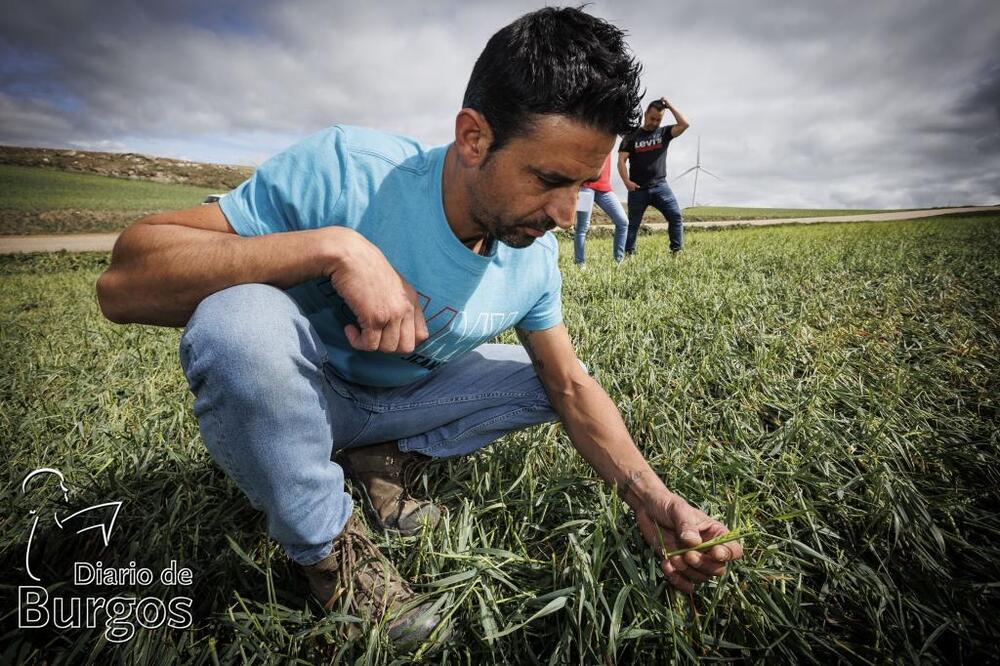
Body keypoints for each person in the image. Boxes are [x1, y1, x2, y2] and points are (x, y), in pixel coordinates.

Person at [95, 7, 742, 650]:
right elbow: (124, 282)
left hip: (397, 406)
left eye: (580, 183)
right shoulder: (349, 169)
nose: (562, 212)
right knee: (235, 320)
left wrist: (651, 500)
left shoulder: (535, 255)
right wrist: (333, 248)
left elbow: (568, 385)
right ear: (473, 138)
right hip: (310, 395)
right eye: (547, 179)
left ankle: (382, 460)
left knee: (559, 382)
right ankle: (330, 553)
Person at [618, 97, 689, 256]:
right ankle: (629, 255)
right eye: (652, 118)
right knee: (633, 225)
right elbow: (621, 161)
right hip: (637, 189)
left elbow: (684, 124)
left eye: (658, 119)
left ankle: (676, 252)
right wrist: (626, 181)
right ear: (645, 115)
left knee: (676, 216)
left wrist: (669, 105)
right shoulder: (632, 136)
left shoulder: (664, 133)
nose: (655, 122)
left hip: (660, 186)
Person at [573, 152, 630, 266]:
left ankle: (618, 261)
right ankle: (580, 263)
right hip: (586, 187)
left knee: (623, 222)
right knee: (582, 227)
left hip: (605, 189)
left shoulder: (610, 136)